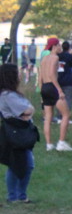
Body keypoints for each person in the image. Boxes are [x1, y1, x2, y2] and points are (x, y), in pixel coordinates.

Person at [0, 63, 36, 203]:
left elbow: (27, 112)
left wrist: (28, 111)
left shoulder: (12, 94)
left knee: (25, 164)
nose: (20, 75)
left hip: (20, 131)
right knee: (17, 164)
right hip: (15, 133)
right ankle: (14, 196)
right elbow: (27, 110)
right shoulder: (7, 95)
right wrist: (29, 110)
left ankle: (20, 195)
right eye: (17, 72)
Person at [38, 38, 72, 152]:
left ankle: (49, 144)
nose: (60, 47)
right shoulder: (55, 58)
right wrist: (59, 90)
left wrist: (41, 91)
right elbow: (52, 75)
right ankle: (61, 143)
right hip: (52, 87)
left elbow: (40, 77)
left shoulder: (44, 59)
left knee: (48, 117)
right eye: (59, 45)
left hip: (44, 87)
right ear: (54, 46)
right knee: (66, 114)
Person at [56, 41, 72, 125]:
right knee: (68, 99)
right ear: (69, 48)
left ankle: (59, 117)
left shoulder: (58, 56)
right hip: (68, 80)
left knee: (59, 99)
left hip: (59, 80)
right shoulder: (68, 56)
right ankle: (66, 117)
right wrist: (71, 54)